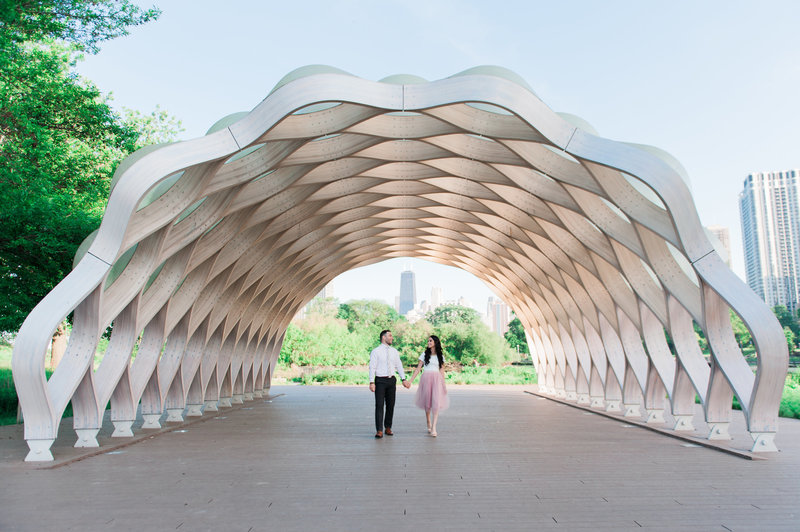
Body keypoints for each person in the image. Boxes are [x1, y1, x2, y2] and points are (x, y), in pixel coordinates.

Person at [368, 329, 410, 438]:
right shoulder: (376, 351)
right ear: (383, 337)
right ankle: (379, 430)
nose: (392, 338)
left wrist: (403, 379)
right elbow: (372, 367)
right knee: (379, 405)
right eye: (390, 336)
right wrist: (371, 382)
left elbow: (399, 365)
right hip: (380, 380)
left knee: (391, 405)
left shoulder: (394, 351)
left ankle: (388, 427)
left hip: (391, 380)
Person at [408, 335, 449, 437]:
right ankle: (428, 422)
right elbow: (418, 369)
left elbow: (442, 372)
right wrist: (410, 381)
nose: (428, 342)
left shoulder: (441, 356)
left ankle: (434, 427)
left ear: (435, 342)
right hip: (426, 379)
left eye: (430, 341)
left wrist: (444, 385)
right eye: (428, 341)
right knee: (427, 404)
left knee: (436, 402)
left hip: (436, 380)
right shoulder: (424, 354)